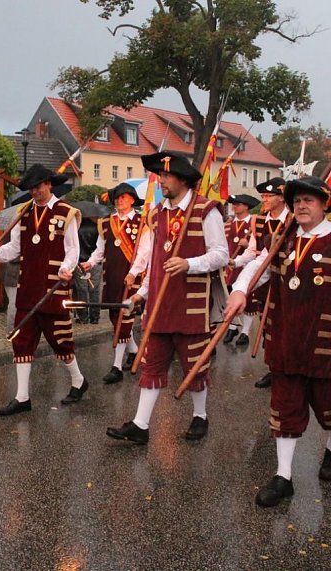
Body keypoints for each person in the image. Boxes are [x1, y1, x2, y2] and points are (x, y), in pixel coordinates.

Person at [225, 176, 331, 507]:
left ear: (326, 204)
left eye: (309, 200)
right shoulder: (282, 239)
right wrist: (240, 290)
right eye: (296, 200)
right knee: (286, 407)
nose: (301, 205)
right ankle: (283, 477)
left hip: (329, 342)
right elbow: (259, 267)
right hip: (286, 339)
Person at [106, 151, 229, 444]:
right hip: (159, 304)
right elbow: (155, 262)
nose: (161, 181)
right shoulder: (158, 213)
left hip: (191, 304)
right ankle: (140, 425)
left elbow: (221, 254)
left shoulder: (205, 210)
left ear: (183, 179)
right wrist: (142, 292)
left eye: (166, 176)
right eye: (160, 176)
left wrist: (190, 263)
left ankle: (200, 416)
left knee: (194, 365)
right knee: (152, 364)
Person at [0, 164, 88, 415]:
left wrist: (66, 267)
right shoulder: (24, 213)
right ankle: (22, 398)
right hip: (28, 287)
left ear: (49, 184)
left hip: (53, 287)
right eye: (31, 189)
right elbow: (15, 249)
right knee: (22, 340)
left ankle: (79, 381)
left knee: (60, 340)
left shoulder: (66, 212)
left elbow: (72, 249)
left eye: (38, 187)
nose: (35, 192)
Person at [80, 182, 145, 383]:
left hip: (131, 278)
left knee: (123, 319)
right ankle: (135, 352)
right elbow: (100, 250)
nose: (119, 200)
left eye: (124, 197)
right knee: (114, 317)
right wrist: (90, 263)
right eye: (117, 197)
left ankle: (116, 367)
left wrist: (134, 272)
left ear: (132, 200)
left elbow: (144, 252)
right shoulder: (106, 222)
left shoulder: (142, 222)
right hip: (112, 277)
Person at [235, 177, 290, 388]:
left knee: (286, 326)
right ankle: (273, 369)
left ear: (282, 198)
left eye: (269, 196)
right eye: (263, 196)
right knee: (268, 324)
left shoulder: (292, 220)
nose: (264, 200)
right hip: (265, 277)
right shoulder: (258, 221)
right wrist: (236, 261)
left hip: (286, 280)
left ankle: (286, 369)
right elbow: (253, 251)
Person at [222, 194, 260, 344]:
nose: (235, 206)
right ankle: (233, 326)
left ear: (246, 206)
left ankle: (245, 332)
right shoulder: (228, 224)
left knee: (249, 299)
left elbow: (258, 246)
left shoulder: (254, 223)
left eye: (238, 204)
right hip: (231, 265)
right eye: (234, 204)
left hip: (247, 265)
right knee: (230, 295)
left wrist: (248, 245)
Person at [73, 216, 102, 324]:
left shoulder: (76, 227)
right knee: (95, 290)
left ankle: (83, 317)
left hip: (79, 262)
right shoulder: (98, 228)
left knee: (81, 290)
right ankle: (95, 317)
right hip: (95, 263)